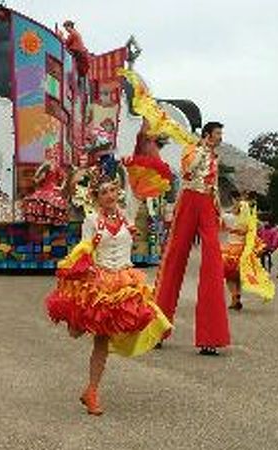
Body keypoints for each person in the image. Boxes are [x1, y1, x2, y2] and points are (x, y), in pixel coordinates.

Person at [45, 172, 171, 416]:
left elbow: (137, 185)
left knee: (105, 339)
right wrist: (83, 273)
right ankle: (76, 320)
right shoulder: (91, 220)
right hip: (100, 283)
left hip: (124, 281)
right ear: (96, 197)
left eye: (113, 190)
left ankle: (91, 391)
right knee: (76, 331)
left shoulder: (128, 215)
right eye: (104, 192)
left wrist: (129, 167)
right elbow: (84, 250)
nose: (110, 195)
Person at [153, 122, 230, 356]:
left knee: (213, 264)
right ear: (207, 135)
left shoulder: (215, 157)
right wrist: (201, 150)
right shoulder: (191, 149)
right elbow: (187, 170)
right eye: (217, 134)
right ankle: (156, 329)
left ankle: (210, 338)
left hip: (206, 203)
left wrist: (219, 211)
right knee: (174, 259)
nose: (220, 138)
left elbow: (213, 186)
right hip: (188, 200)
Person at [59, 20, 90, 87]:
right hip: (80, 54)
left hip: (77, 53)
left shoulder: (73, 33)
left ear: (70, 26)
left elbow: (66, 43)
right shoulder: (76, 33)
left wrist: (61, 36)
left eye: (66, 27)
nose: (66, 29)